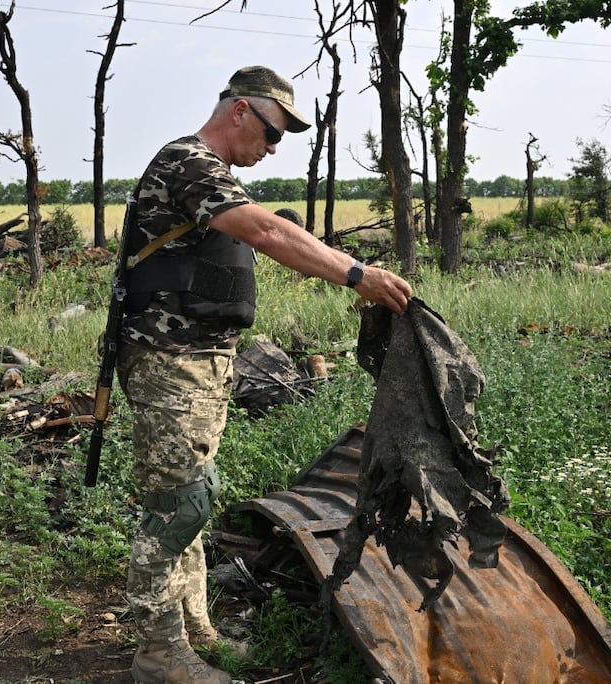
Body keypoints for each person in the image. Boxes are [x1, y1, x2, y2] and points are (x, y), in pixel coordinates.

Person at [114, 65, 412, 684]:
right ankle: (158, 653)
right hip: (171, 364)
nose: (273, 148)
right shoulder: (187, 163)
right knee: (176, 505)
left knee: (192, 495)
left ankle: (193, 628)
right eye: (272, 132)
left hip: (200, 361)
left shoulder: (210, 173)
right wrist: (359, 274)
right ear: (240, 111)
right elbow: (266, 230)